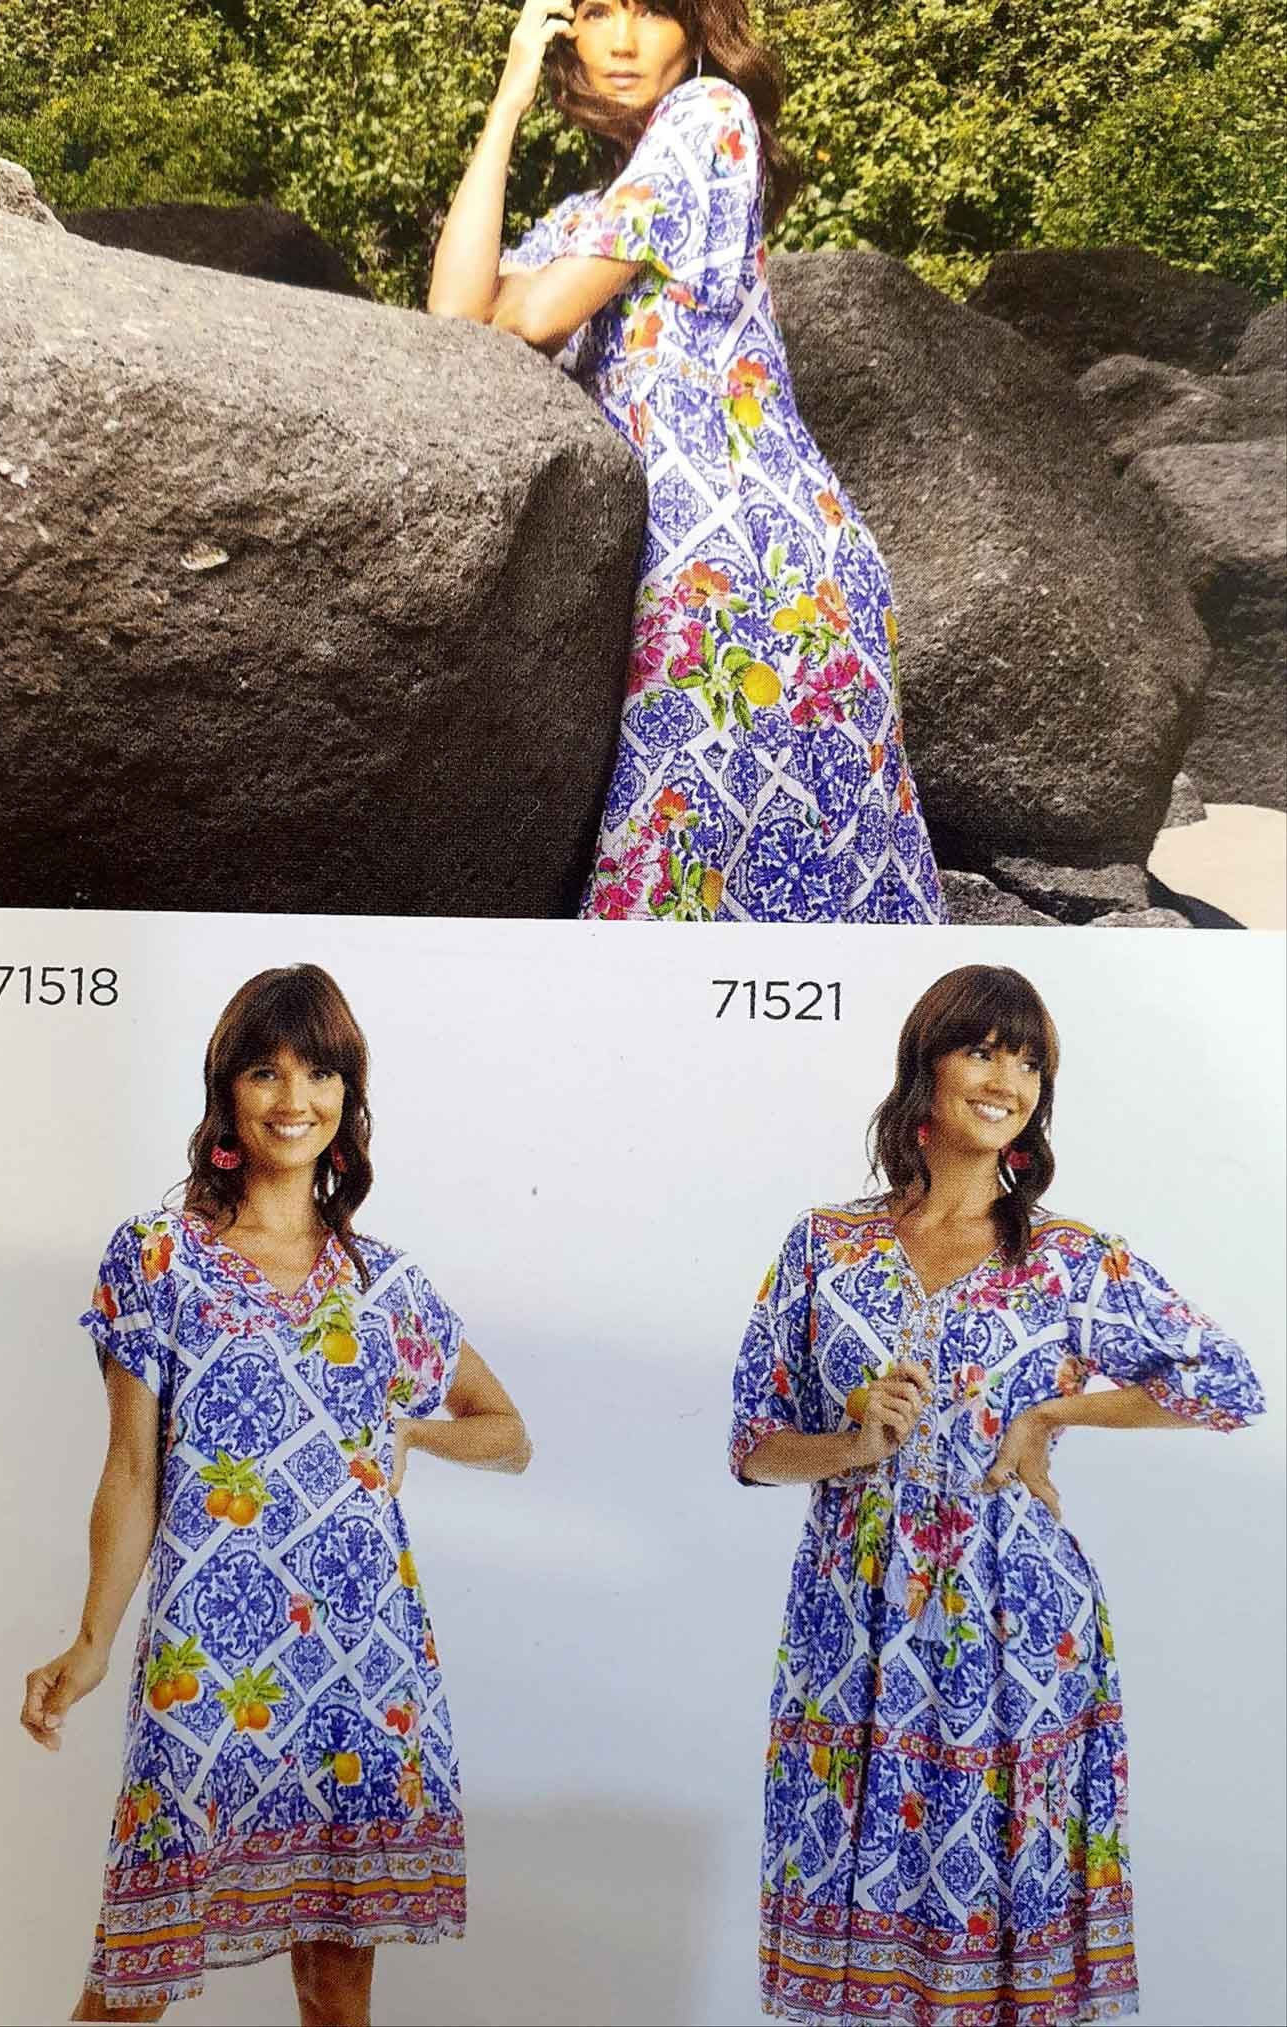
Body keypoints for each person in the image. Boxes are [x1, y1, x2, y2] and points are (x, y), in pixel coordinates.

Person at [729, 964, 1264, 2026]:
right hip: (853, 1628)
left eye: (1029, 1061)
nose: (1006, 1076)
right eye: (982, 1048)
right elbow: (751, 1444)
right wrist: (849, 1437)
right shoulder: (822, 1246)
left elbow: (1228, 1382)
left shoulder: (1072, 1260)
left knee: (995, 1934)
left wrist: (1053, 1416)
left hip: (1016, 1627)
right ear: (923, 1066)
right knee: (859, 1924)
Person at [21, 964, 531, 2026]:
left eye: (320, 1070)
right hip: (206, 1661)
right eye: (266, 1069)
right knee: (131, 1978)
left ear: (349, 1098)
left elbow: (509, 1431)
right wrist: (91, 1637)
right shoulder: (157, 1258)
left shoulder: (383, 1282)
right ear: (227, 1092)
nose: (292, 1096)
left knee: (337, 1986)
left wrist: (413, 1431)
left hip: (361, 1662)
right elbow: (130, 1469)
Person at [429, 0, 947, 924]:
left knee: (704, 897)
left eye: (651, 12)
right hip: (687, 568)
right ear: (565, 38)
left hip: (765, 567)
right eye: (593, 14)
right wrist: (508, 95)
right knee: (692, 900)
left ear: (699, 32)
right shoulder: (589, 216)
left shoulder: (708, 120)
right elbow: (454, 318)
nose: (621, 43)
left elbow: (536, 316)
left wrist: (526, 304)